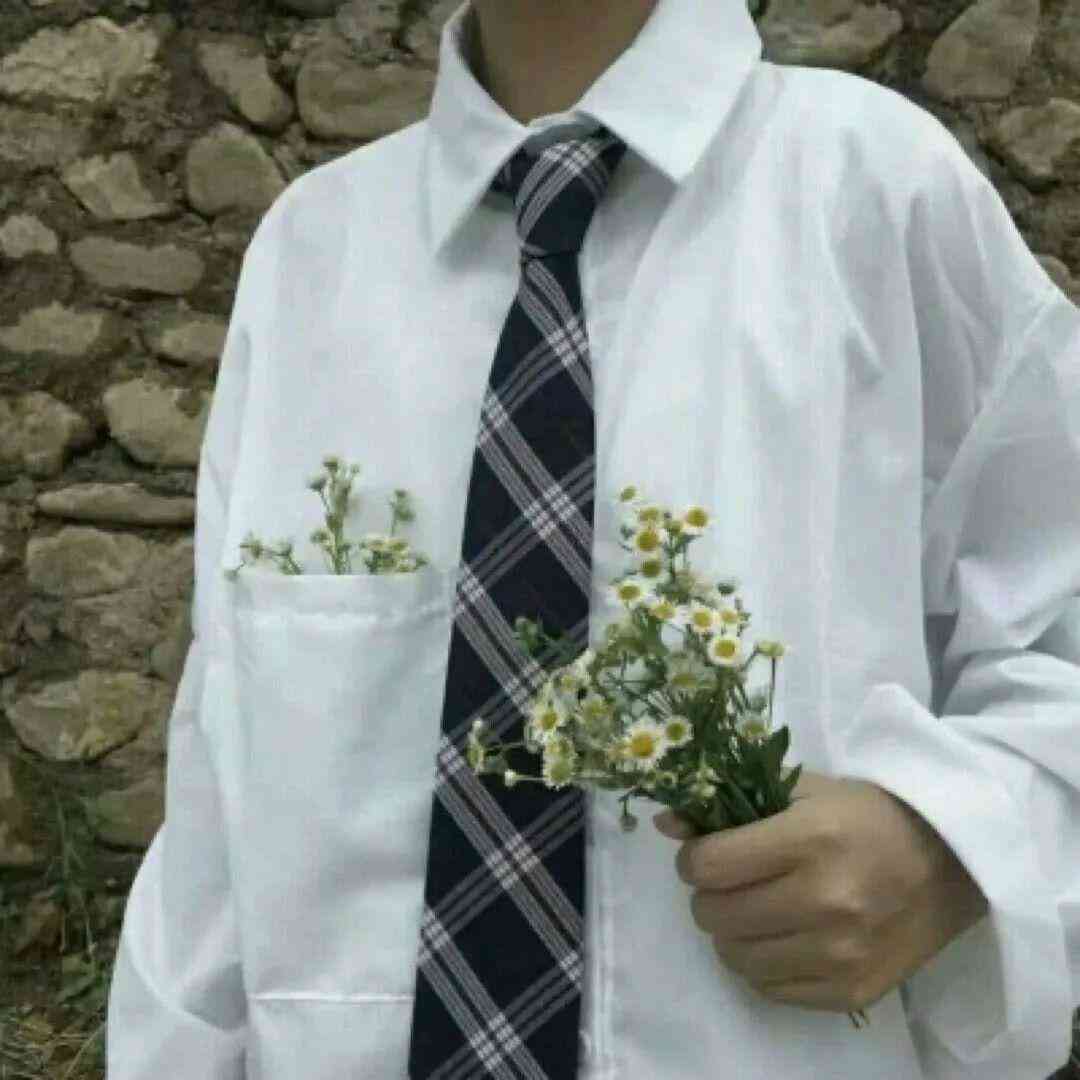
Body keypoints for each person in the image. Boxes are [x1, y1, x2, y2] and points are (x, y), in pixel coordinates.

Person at [105, 0, 1080, 1076]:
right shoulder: (313, 253)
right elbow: (221, 782)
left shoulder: (872, 188)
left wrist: (955, 844)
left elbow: (1059, 622)